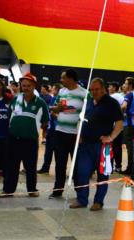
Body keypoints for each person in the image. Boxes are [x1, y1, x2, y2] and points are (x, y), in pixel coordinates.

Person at [69, 78, 123, 211]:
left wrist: (111, 137)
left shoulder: (112, 103)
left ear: (103, 89)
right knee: (82, 173)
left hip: (102, 146)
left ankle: (98, 201)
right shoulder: (88, 102)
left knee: (103, 175)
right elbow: (81, 119)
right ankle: (82, 199)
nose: (94, 92)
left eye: (97, 89)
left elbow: (120, 124)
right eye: (92, 90)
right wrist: (79, 134)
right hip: (85, 145)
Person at [1, 73, 48, 198]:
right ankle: (8, 190)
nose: (25, 88)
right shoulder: (15, 99)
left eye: (28, 85)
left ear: (34, 86)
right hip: (13, 139)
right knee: (11, 166)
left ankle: (32, 189)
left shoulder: (41, 103)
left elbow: (45, 122)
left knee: (31, 167)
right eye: (24, 85)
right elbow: (9, 117)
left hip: (30, 141)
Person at [50, 69, 87, 198]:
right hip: (60, 133)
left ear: (71, 79)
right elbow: (54, 109)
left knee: (77, 165)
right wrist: (56, 111)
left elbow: (88, 113)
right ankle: (57, 190)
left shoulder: (84, 93)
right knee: (60, 164)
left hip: (76, 135)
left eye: (63, 78)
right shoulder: (62, 91)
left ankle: (80, 192)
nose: (61, 80)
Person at [121, 77, 134, 175]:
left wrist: (119, 113)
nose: (124, 85)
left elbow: (124, 106)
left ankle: (130, 168)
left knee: (130, 147)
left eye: (125, 83)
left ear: (130, 85)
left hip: (128, 124)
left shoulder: (129, 95)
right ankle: (133, 167)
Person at [38, 83, 60, 174]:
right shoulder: (53, 99)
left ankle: (59, 170)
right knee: (48, 149)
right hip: (51, 127)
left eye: (54, 89)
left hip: (58, 129)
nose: (52, 90)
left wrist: (54, 113)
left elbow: (58, 113)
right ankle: (45, 167)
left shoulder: (60, 100)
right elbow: (50, 110)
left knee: (58, 152)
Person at [107, 81, 125, 172]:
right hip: (118, 126)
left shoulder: (114, 96)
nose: (108, 88)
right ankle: (117, 166)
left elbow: (123, 107)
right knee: (117, 147)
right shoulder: (121, 97)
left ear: (114, 88)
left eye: (110, 86)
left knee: (112, 146)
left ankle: (110, 165)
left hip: (113, 126)